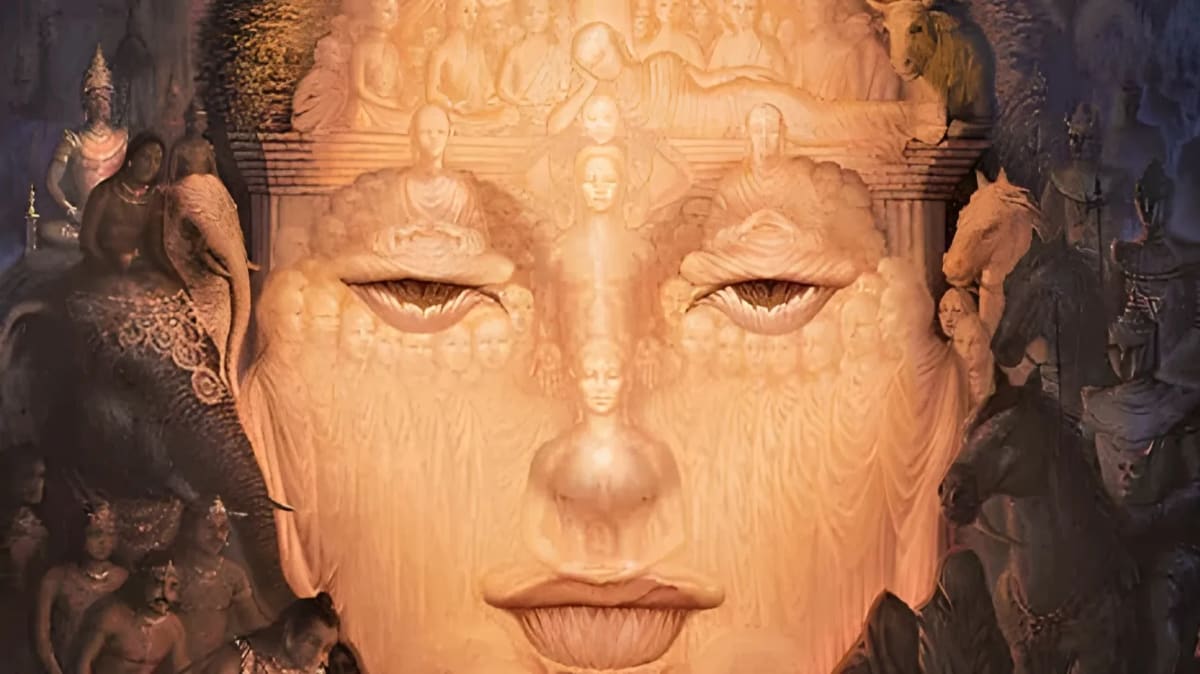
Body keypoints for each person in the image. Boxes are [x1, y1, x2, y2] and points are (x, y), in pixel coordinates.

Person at [35, 502, 129, 674]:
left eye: (110, 534)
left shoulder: (125, 580)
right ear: (80, 535)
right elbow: (42, 639)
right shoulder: (55, 578)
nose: (103, 542)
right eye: (95, 534)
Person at [175, 497, 267, 664]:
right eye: (210, 527)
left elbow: (252, 622)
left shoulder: (233, 575)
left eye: (223, 528)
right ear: (189, 530)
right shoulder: (175, 572)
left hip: (214, 665)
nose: (218, 536)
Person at [75, 551, 189, 674]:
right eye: (158, 583)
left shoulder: (174, 627)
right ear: (144, 581)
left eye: (173, 586)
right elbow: (82, 665)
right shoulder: (112, 617)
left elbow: (183, 669)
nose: (164, 593)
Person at [78, 133, 169, 275]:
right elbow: (87, 241)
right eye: (145, 158)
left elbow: (155, 247)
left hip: (137, 272)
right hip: (100, 270)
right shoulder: (105, 192)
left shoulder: (155, 198)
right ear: (131, 158)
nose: (151, 166)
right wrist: (109, 268)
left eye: (157, 160)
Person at [200, 593, 341, 674]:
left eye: (327, 649)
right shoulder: (237, 660)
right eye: (312, 642)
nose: (318, 656)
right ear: (288, 627)